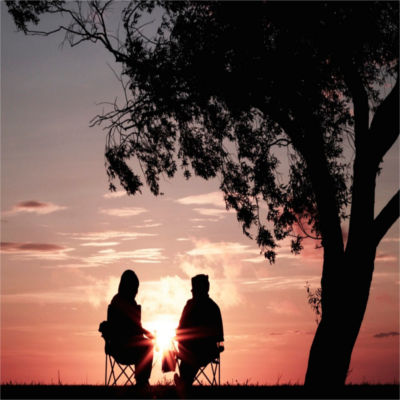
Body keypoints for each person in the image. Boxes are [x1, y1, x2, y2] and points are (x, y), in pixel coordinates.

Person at [174, 274, 224, 390]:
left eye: (193, 290)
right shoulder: (213, 307)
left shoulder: (191, 306)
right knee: (190, 356)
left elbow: (179, 331)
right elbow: (219, 338)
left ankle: (183, 384)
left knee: (191, 356)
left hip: (200, 351)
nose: (192, 293)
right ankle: (184, 383)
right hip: (204, 351)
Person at [106, 269, 154, 387]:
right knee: (148, 346)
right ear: (128, 287)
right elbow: (131, 328)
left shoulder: (128, 302)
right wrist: (148, 335)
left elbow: (137, 328)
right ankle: (142, 382)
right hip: (121, 347)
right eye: (135, 288)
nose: (136, 291)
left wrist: (146, 335)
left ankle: (142, 381)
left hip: (130, 346)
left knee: (147, 345)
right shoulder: (119, 303)